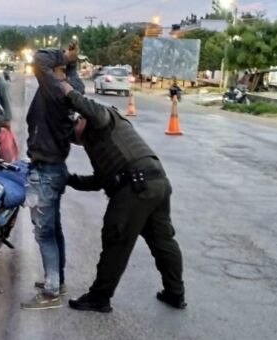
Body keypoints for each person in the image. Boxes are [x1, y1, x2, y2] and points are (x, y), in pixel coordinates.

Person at [55, 75, 186, 313]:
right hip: (156, 182)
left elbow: (93, 111)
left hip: (135, 187)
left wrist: (68, 92)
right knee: (163, 241)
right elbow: (100, 180)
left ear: (80, 119)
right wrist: (69, 180)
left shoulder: (103, 118)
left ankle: (100, 296)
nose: (77, 140)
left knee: (116, 240)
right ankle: (175, 293)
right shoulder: (99, 139)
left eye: (74, 130)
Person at [20, 42, 85, 310]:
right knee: (54, 229)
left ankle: (50, 293)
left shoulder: (56, 89)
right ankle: (57, 281)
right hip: (55, 168)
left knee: (44, 233)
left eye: (55, 68)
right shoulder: (73, 88)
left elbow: (39, 59)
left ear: (59, 71)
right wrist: (69, 62)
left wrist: (64, 56)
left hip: (46, 170)